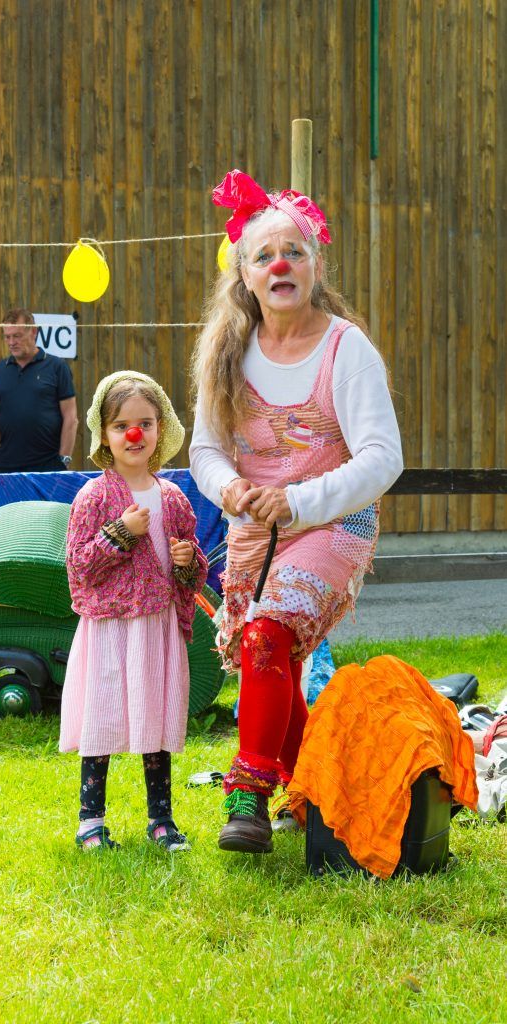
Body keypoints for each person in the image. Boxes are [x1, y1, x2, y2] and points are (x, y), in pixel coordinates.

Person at [190, 169, 404, 853]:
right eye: (264, 255)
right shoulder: (228, 353)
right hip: (256, 529)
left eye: (295, 251)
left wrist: (299, 498)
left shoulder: (347, 349)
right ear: (245, 276)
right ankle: (313, 789)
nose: (280, 262)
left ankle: (247, 793)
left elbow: (381, 458)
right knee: (264, 655)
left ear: (315, 266)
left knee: (266, 635)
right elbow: (204, 449)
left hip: (336, 522)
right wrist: (231, 491)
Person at [60, 370, 208, 851]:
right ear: (104, 434)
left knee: (156, 721)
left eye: (144, 423)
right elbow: (80, 567)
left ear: (160, 428)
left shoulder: (173, 498)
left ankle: (161, 819)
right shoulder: (94, 497)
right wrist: (120, 532)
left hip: (157, 627)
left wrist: (188, 562)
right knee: (101, 718)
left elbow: (193, 571)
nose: (134, 434)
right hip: (109, 629)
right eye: (122, 425)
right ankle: (90, 821)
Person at [0, 308, 78, 473]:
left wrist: (64, 459)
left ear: (33, 332)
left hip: (50, 467)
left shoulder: (57, 367)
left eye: (17, 336)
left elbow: (71, 417)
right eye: (7, 337)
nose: (11, 342)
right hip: (8, 468)